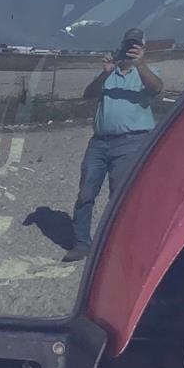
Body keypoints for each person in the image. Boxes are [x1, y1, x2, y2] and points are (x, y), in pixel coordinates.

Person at [64, 28, 162, 262]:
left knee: (120, 198)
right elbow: (88, 95)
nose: (131, 48)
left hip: (131, 143)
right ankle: (82, 244)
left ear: (143, 48)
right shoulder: (110, 73)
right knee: (86, 193)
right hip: (99, 144)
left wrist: (140, 64)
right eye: (128, 44)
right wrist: (104, 73)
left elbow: (157, 88)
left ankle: (117, 246)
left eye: (136, 45)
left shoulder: (145, 72)